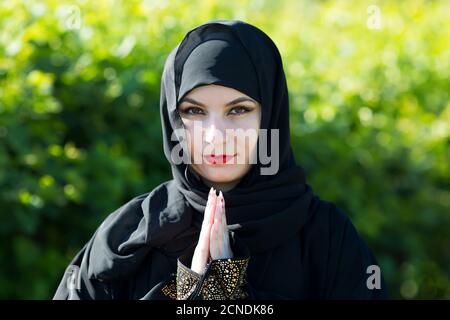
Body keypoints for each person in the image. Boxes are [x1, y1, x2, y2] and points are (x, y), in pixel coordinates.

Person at [53, 19, 388, 300]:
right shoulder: (129, 236)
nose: (216, 135)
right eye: (194, 111)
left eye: (238, 110)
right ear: (173, 120)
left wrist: (228, 294)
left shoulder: (327, 238)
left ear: (269, 114)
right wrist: (194, 294)